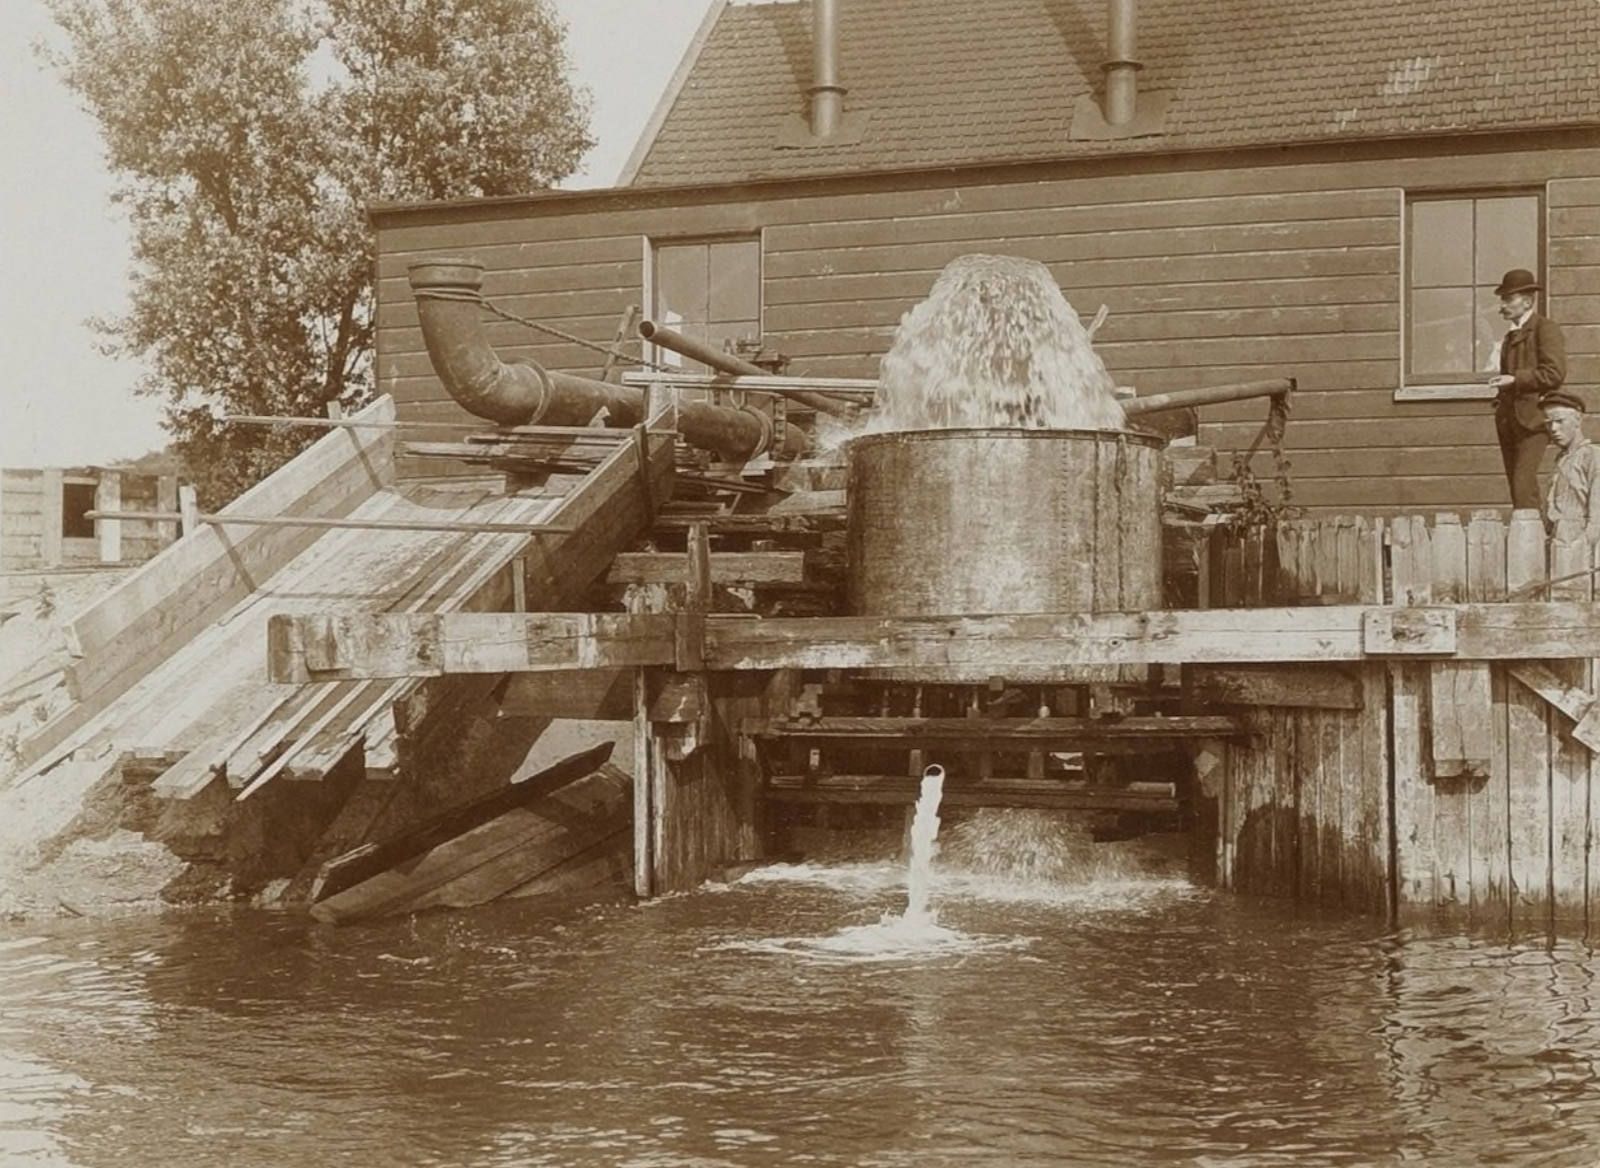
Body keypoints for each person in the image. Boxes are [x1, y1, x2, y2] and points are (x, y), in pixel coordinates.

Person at [1489, 268, 1567, 509]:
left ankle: (1534, 541)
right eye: (1502, 299)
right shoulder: (1509, 338)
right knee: (1519, 489)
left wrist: (1514, 380)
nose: (1502, 306)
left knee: (1523, 485)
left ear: (1527, 301)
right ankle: (1536, 539)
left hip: (1533, 421)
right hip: (1509, 421)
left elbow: (1554, 374)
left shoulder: (1545, 329)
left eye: (1508, 299)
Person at [1540, 390, 1600, 543]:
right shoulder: (1561, 459)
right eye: (1548, 423)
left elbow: (1597, 514)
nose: (1553, 429)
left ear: (1578, 421)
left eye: (1560, 421)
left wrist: (1586, 545)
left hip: (1581, 542)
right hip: (1557, 540)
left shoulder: (1592, 456)